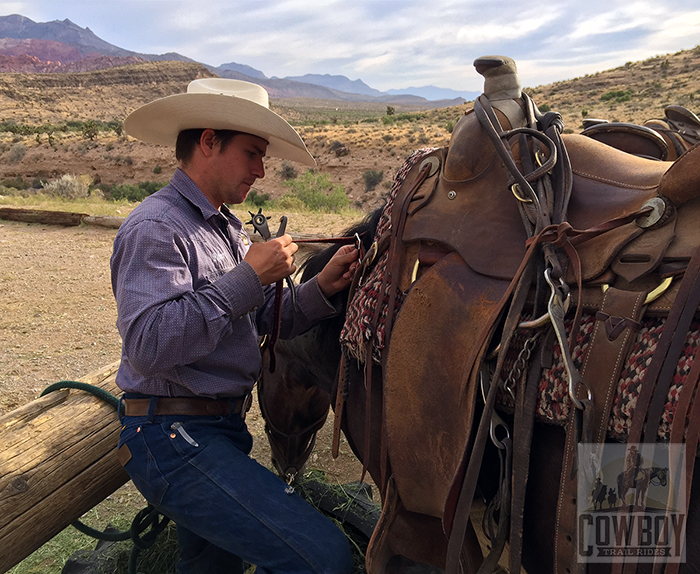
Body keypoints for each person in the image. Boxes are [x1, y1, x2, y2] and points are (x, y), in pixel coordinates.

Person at [111, 78, 357, 574]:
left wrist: (322, 289)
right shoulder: (156, 227)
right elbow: (148, 344)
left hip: (213, 429)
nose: (261, 170)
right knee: (323, 558)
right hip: (171, 436)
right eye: (252, 153)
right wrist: (248, 276)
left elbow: (261, 316)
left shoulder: (224, 227)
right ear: (207, 142)